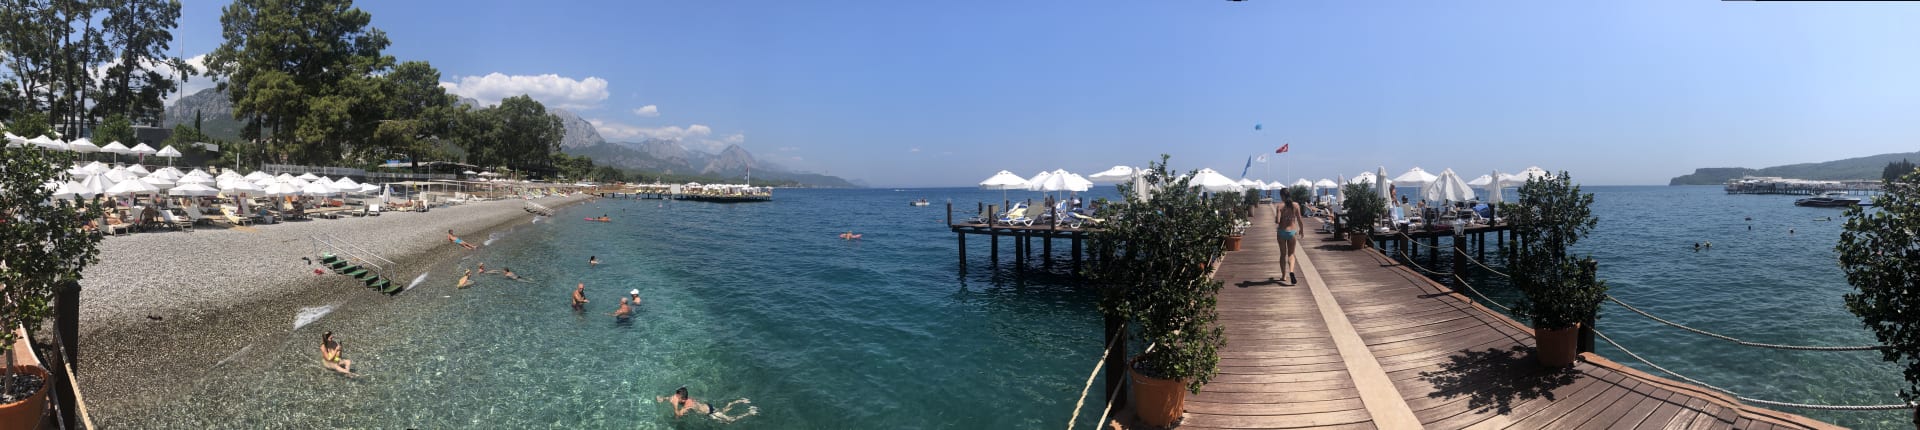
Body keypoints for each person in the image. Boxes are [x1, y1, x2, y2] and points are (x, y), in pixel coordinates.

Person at [657, 387, 757, 423]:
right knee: (723, 411)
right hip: (708, 406)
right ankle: (737, 401)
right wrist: (663, 399)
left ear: (682, 398)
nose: (675, 397)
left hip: (710, 412)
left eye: (677, 397)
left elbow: (678, 416)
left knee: (729, 421)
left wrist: (675, 406)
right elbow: (672, 398)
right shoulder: (684, 398)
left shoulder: (688, 405)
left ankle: (750, 412)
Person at [1275, 192, 1306, 285]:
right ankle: (1291, 271)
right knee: (1291, 254)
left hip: (1281, 232)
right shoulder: (1296, 205)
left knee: (1282, 254)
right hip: (1292, 232)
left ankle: (1284, 276)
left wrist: (1278, 216)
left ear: (1282, 196)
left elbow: (1277, 221)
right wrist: (1301, 230)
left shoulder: (1280, 206)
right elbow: (1299, 219)